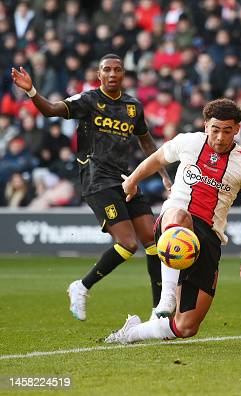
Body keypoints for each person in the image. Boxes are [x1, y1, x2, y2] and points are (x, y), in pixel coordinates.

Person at [11, 54, 172, 321]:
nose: (112, 74)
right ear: (99, 74)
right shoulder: (88, 100)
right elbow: (51, 110)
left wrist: (164, 175)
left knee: (152, 243)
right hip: (96, 181)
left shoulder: (133, 107)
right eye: (106, 69)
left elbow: (147, 144)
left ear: (123, 75)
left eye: (117, 70)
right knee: (129, 244)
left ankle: (158, 313)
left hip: (125, 179)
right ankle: (81, 287)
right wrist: (31, 90)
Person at [104, 98, 241, 343]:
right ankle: (167, 295)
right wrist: (131, 180)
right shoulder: (188, 142)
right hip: (174, 219)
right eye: (215, 130)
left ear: (236, 129)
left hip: (209, 238)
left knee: (186, 327)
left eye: (227, 130)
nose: (220, 137)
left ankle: (132, 333)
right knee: (181, 216)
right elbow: (158, 158)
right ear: (206, 126)